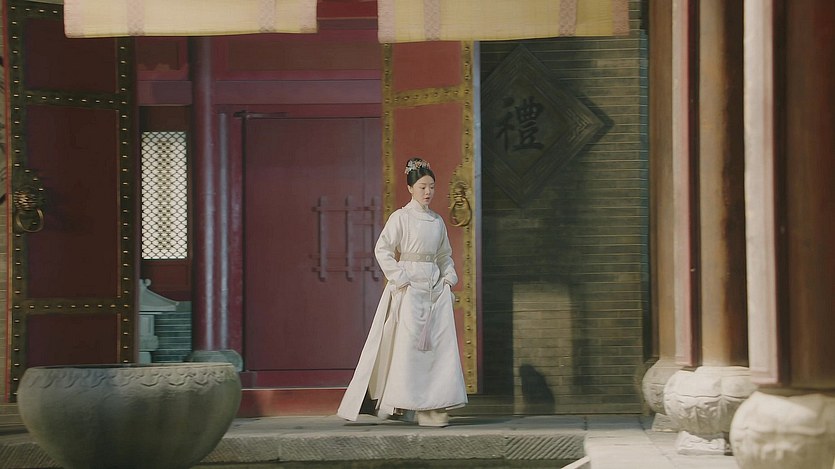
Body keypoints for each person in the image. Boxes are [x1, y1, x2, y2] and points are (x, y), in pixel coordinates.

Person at [337, 157, 468, 427]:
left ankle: (433, 404)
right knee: (409, 348)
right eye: (422, 187)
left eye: (431, 187)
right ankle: (409, 404)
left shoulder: (437, 221)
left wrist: (447, 279)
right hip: (409, 288)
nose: (428, 192)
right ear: (410, 188)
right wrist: (401, 279)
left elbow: (444, 255)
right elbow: (383, 249)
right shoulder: (401, 218)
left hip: (433, 289)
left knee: (436, 348)